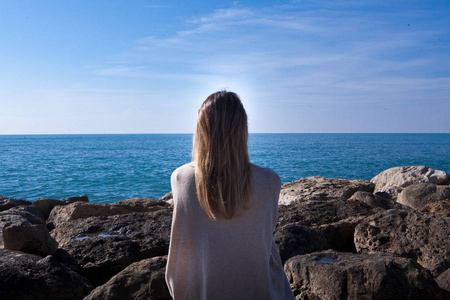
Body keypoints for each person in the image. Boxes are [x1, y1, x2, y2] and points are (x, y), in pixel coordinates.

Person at [165, 91, 294, 300]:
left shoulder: (181, 178)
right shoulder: (269, 181)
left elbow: (179, 260)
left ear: (201, 131)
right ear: (242, 131)